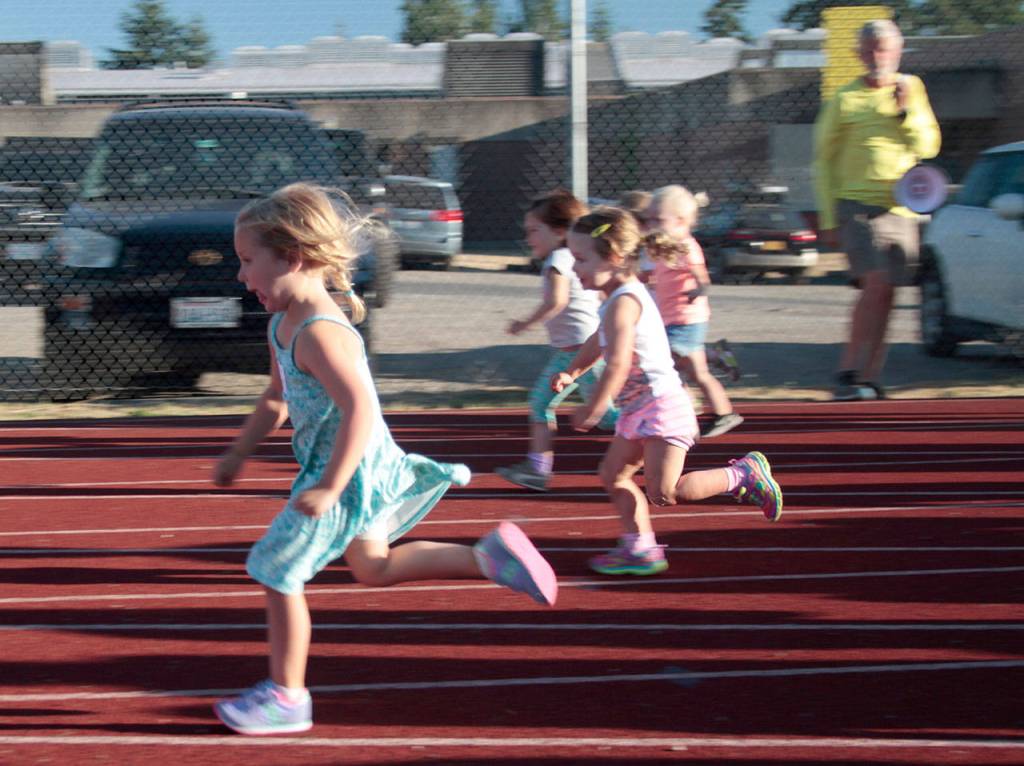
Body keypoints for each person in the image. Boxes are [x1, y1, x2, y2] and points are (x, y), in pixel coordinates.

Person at [211, 183, 557, 735]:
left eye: (249, 261)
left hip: (348, 470)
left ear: (293, 257)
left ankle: (287, 697)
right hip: (354, 466)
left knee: (277, 571)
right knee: (372, 568)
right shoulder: (283, 325)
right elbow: (276, 399)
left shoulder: (322, 333)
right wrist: (237, 452)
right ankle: (488, 558)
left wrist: (329, 486)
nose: (240, 275)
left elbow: (360, 413)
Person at [552, 206, 782, 576]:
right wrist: (572, 370)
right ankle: (640, 547)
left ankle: (743, 475)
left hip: (661, 407)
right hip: (637, 409)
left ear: (612, 258)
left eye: (581, 259)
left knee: (666, 493)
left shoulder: (626, 301)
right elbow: (600, 340)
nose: (574, 269)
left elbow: (619, 362)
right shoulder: (614, 300)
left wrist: (594, 406)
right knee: (614, 475)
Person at [814, 19, 941, 401]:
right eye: (869, 50)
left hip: (903, 208)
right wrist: (827, 217)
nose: (876, 57)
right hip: (856, 207)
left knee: (888, 293)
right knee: (876, 282)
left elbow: (929, 145)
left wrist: (905, 112)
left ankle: (869, 379)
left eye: (883, 49)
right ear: (858, 55)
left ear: (897, 52)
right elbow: (823, 160)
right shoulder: (844, 99)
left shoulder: (912, 88)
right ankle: (847, 371)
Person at [497, 188, 617, 492]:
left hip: (582, 350)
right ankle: (538, 469)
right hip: (573, 349)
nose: (529, 238)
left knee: (607, 416)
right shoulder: (570, 257)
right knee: (542, 405)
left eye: (535, 231)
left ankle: (661, 428)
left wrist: (525, 323)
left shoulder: (558, 260)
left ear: (560, 230)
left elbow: (557, 301)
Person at [644, 185, 743, 438]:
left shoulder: (687, 247)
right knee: (694, 372)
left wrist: (697, 291)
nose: (652, 223)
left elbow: (702, 278)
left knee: (669, 368)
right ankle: (717, 413)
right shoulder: (667, 245)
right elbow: (658, 273)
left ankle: (690, 415)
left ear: (680, 221)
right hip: (672, 318)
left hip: (687, 319)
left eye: (658, 219)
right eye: (650, 218)